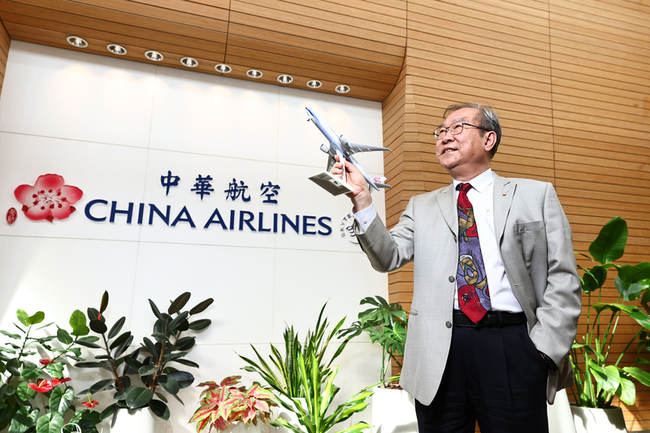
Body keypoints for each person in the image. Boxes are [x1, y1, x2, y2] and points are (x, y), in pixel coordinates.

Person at [331, 102, 582, 433]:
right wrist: (362, 199)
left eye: (458, 128)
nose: (445, 137)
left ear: (489, 139)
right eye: (441, 131)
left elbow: (562, 275)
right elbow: (387, 256)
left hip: (513, 346)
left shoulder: (536, 195)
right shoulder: (421, 206)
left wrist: (543, 351)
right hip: (440, 353)